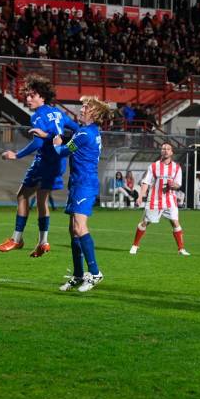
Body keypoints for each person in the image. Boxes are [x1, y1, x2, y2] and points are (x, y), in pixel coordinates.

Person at [0, 74, 78, 257]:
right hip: (58, 162)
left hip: (44, 162)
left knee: (22, 196)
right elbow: (78, 131)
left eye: (33, 95)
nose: (28, 99)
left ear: (42, 97)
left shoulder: (38, 116)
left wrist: (16, 155)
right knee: (41, 200)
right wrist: (67, 147)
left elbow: (39, 143)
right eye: (28, 95)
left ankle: (17, 239)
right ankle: (43, 242)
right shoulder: (59, 113)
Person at [56, 96, 111, 292]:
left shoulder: (84, 134)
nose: (81, 109)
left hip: (84, 184)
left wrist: (56, 142)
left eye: (85, 107)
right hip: (78, 183)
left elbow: (62, 152)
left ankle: (95, 273)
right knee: (73, 230)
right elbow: (74, 131)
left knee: (80, 227)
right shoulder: (90, 131)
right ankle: (78, 274)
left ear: (94, 114)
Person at [129, 142, 190, 256]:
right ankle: (135, 245)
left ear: (171, 152)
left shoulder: (177, 168)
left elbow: (178, 185)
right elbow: (146, 182)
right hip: (154, 199)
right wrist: (141, 196)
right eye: (163, 149)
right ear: (161, 151)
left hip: (170, 199)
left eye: (168, 149)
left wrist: (173, 185)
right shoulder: (153, 166)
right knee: (145, 222)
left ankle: (181, 249)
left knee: (175, 222)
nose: (165, 150)